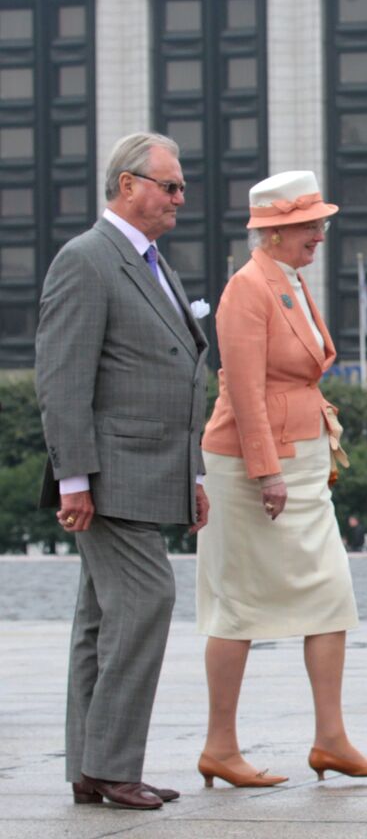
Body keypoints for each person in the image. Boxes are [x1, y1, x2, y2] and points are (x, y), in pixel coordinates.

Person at [195, 170, 367, 787]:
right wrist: (267, 472)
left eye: (319, 222)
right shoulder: (246, 289)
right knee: (237, 605)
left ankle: (331, 739)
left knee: (331, 594)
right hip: (254, 467)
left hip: (301, 462)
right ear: (276, 231)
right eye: (309, 224)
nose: (320, 233)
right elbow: (243, 390)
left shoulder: (285, 281)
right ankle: (219, 746)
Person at [36, 132, 210, 811]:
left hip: (152, 469)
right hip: (110, 475)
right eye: (169, 186)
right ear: (128, 184)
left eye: (181, 187)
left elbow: (178, 373)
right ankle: (113, 767)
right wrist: (73, 479)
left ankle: (90, 767)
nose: (179, 198)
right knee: (146, 603)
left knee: (99, 620)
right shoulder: (86, 259)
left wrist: (192, 475)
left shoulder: (155, 262)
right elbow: (62, 380)